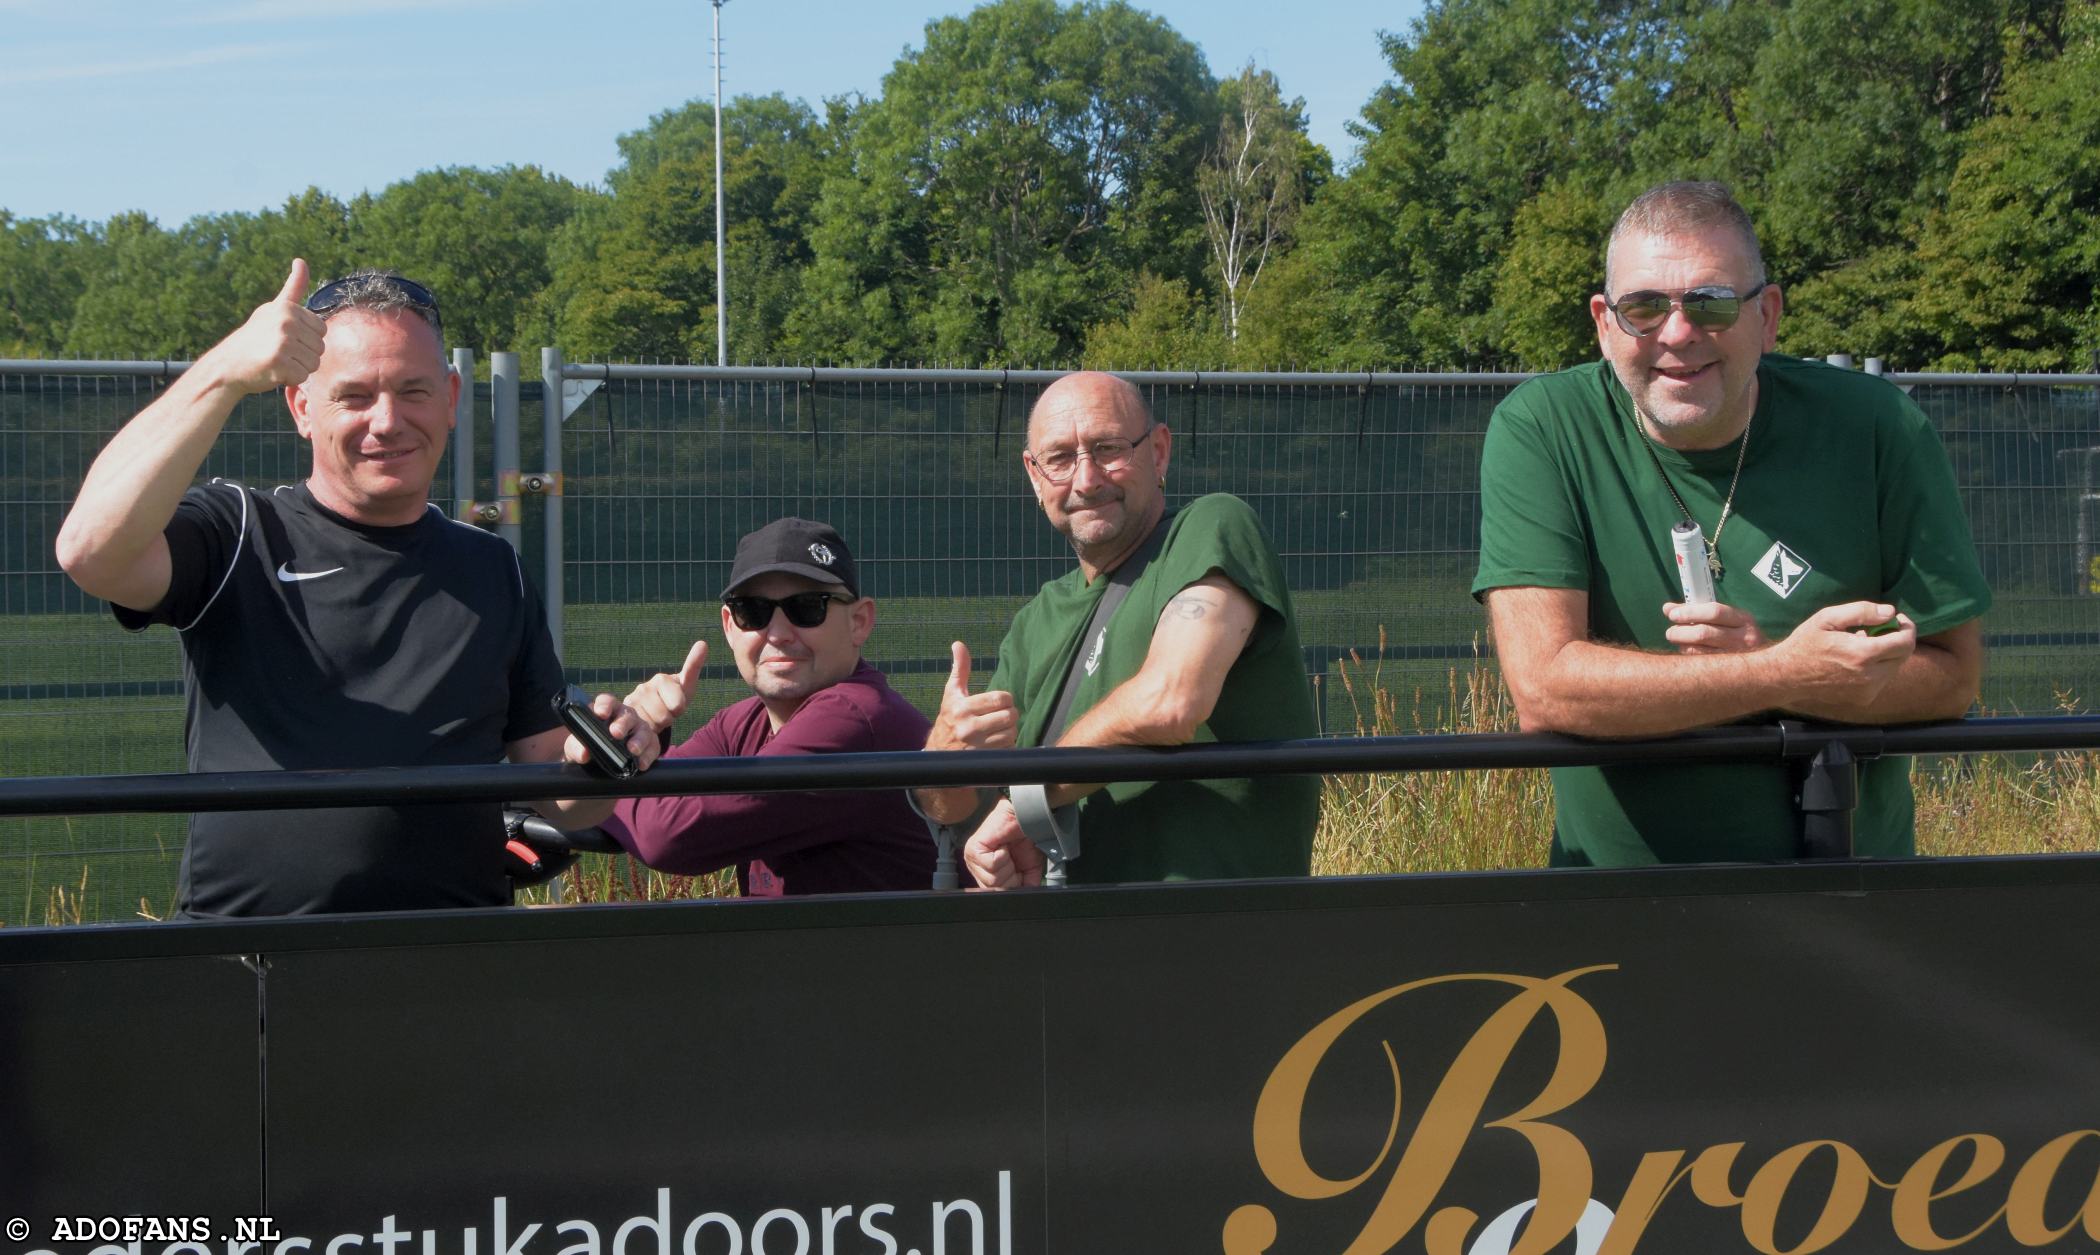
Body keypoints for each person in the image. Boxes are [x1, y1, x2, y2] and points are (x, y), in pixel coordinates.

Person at [54, 261, 659, 917]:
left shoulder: (493, 567)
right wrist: (225, 371)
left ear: (452, 398)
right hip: (249, 971)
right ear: (301, 407)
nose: (388, 420)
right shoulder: (238, 535)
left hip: (459, 967)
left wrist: (605, 753)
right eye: (356, 396)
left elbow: (565, 794)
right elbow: (89, 550)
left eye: (413, 390)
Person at [1472, 181, 1991, 865]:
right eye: (1644, 307)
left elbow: (1956, 677)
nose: (1678, 333)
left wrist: (1763, 664)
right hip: (1612, 912)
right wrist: (1780, 673)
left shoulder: (1877, 426)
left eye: (1712, 304)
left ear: (1768, 315)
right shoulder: (1543, 428)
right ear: (1604, 323)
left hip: (1855, 901)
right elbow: (1544, 688)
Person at [915, 371, 1319, 888]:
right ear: (1035, 477)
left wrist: (1024, 800)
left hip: (1216, 937)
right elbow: (955, 812)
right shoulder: (1033, 622)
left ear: (1159, 452)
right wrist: (942, 759)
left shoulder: (1213, 528)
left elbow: (1171, 703)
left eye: (1108, 449)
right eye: (1060, 459)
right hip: (1068, 947)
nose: (1086, 479)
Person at [602, 518, 937, 895]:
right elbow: (661, 797)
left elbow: (668, 835)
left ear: (859, 622)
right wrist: (643, 737)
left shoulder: (854, 718)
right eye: (753, 611)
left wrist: (609, 770)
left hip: (889, 953)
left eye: (808, 607)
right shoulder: (743, 722)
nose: (777, 633)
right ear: (730, 627)